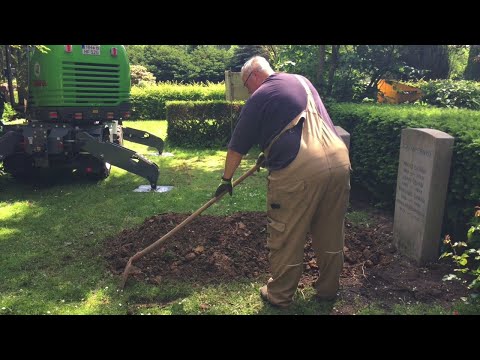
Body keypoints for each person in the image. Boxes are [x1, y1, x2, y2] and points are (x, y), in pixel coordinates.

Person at [214, 56, 351, 308]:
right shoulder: (301, 80)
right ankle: (328, 290)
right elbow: (298, 123)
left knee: (285, 231)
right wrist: (271, 150)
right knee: (330, 229)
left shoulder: (261, 93)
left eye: (247, 86)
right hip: (339, 158)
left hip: (301, 167)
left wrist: (226, 179)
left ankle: (279, 294)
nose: (248, 92)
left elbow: (237, 147)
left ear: (253, 76)